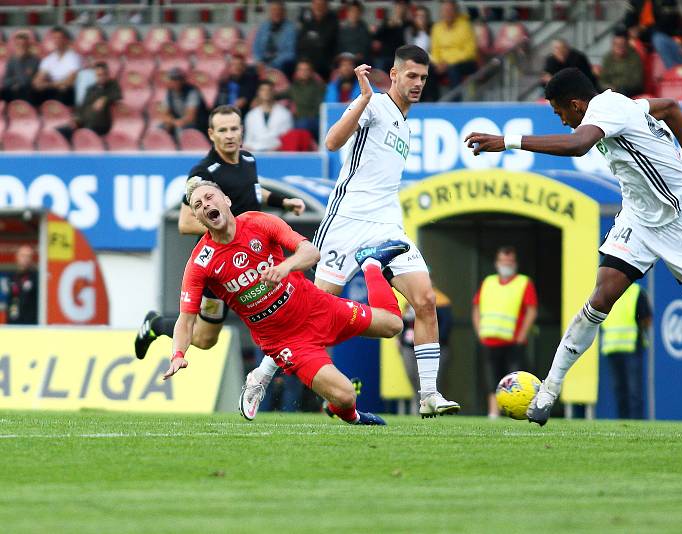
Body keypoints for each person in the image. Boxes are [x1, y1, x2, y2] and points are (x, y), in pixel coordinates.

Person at [464, 67, 682, 432]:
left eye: (560, 113)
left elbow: (577, 146)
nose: (562, 121)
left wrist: (507, 141)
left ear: (576, 105)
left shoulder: (605, 111)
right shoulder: (621, 105)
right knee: (599, 299)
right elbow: (671, 107)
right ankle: (548, 391)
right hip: (639, 220)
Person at [164, 180, 410, 427]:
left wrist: (284, 267)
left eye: (209, 197)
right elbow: (186, 320)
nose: (206, 204)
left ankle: (371, 264)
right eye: (198, 205)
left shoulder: (258, 222)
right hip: (286, 342)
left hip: (318, 307)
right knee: (346, 395)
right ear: (197, 217)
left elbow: (311, 252)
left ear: (226, 200)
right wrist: (178, 354)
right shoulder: (200, 263)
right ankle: (354, 417)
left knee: (393, 325)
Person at [315, 44, 460, 418]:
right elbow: (332, 142)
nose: (417, 83)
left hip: (386, 226)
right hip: (347, 222)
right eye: (411, 75)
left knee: (425, 301)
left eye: (423, 78)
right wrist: (363, 98)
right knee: (313, 313)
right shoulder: (375, 104)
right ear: (393, 75)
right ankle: (262, 377)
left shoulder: (405, 123)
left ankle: (428, 394)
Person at [135, 105, 306, 360]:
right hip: (221, 267)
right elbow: (185, 223)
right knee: (205, 339)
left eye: (234, 129)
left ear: (242, 131)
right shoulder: (202, 175)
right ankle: (156, 325)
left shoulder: (248, 159)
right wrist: (230, 230)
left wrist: (284, 202)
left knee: (285, 310)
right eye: (222, 130)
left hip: (255, 257)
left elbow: (252, 192)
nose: (229, 135)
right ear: (211, 134)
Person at [471, 246, 538, 418]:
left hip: (513, 341)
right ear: (497, 263)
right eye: (503, 261)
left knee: (516, 381)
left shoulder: (524, 282)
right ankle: (493, 412)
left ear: (515, 264)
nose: (506, 264)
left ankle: (520, 410)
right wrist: (479, 331)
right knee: (491, 378)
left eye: (510, 261)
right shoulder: (488, 282)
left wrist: (523, 334)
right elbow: (476, 307)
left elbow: (531, 310)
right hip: (490, 340)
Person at [398, 282, 453, 414]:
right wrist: (400, 339)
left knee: (432, 380)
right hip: (409, 346)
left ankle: (433, 407)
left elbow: (445, 326)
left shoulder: (441, 300)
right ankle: (419, 406)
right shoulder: (409, 298)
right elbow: (405, 322)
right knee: (412, 376)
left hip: (431, 348)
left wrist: (434, 343)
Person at [599, 282, 651, 420]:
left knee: (634, 393)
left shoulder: (636, 292)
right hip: (612, 348)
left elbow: (646, 318)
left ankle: (636, 425)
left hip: (632, 348)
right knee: (621, 392)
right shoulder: (607, 291)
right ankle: (623, 425)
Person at [56, 62, 121, 141]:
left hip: (99, 125)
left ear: (107, 74)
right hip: (84, 123)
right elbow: (82, 107)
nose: (101, 77)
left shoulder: (112, 85)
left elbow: (117, 95)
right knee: (60, 131)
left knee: (81, 135)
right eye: (99, 75)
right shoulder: (90, 89)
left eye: (104, 74)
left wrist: (104, 99)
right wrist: (76, 119)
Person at [430, 0, 478, 90]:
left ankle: (455, 102)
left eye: (450, 10)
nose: (447, 13)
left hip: (465, 63)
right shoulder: (437, 28)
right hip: (443, 63)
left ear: (455, 11)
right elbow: (435, 50)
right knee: (426, 70)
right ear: (441, 12)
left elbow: (470, 52)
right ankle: (430, 101)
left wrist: (448, 62)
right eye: (445, 10)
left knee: (453, 69)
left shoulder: (465, 26)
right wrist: (438, 63)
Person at [31, 26, 81, 106]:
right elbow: (38, 78)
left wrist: (48, 85)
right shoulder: (48, 59)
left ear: (66, 40)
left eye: (59, 38)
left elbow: (70, 81)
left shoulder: (74, 57)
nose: (57, 41)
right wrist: (39, 83)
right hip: (53, 87)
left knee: (64, 90)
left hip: (66, 89)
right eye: (54, 38)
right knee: (33, 90)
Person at [278, 59, 326, 140]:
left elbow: (320, 108)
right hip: (298, 121)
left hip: (315, 121)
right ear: (297, 72)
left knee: (301, 125)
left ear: (311, 72)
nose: (303, 72)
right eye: (301, 70)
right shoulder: (293, 88)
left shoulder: (319, 87)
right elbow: (278, 95)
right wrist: (259, 99)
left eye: (306, 70)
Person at [158, 68, 209, 140]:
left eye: (177, 79)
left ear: (183, 80)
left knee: (181, 129)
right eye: (172, 79)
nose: (175, 81)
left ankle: (182, 148)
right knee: (160, 127)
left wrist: (177, 122)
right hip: (177, 121)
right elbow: (164, 114)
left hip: (196, 124)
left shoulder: (192, 91)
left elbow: (191, 117)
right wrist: (172, 122)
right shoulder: (169, 92)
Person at [243, 80, 293, 152]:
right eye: (263, 90)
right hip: (256, 152)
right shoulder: (251, 115)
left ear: (274, 92)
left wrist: (275, 149)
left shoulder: (285, 113)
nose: (266, 92)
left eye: (269, 90)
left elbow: (287, 138)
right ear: (258, 93)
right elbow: (248, 139)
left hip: (278, 152)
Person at [252, 0, 297, 77]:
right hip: (263, 64)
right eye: (273, 10)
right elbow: (256, 47)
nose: (276, 13)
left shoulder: (291, 29)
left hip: (280, 66)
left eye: (279, 10)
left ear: (284, 12)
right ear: (270, 12)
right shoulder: (263, 27)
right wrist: (259, 61)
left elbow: (291, 53)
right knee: (250, 72)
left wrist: (272, 64)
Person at [296, 0, 339, 80]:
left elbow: (326, 41)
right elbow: (302, 42)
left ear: (326, 6)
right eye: (316, 4)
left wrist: (313, 40)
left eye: (322, 5)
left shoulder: (332, 20)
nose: (319, 7)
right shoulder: (306, 19)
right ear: (312, 5)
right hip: (306, 57)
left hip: (325, 60)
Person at [599, 32, 644, 97]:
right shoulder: (607, 58)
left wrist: (618, 88)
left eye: (622, 44)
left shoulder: (634, 57)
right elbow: (602, 80)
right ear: (612, 45)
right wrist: (608, 87)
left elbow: (637, 81)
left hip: (629, 91)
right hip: (611, 91)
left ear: (627, 44)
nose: (619, 47)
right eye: (616, 44)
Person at [1, 32, 39, 103]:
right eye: (19, 44)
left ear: (28, 46)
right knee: (4, 91)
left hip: (28, 91)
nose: (21, 47)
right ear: (15, 46)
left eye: (24, 45)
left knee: (25, 90)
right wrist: (15, 82)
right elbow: (5, 81)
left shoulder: (34, 60)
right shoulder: (11, 60)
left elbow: (26, 81)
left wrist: (19, 60)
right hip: (12, 90)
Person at [5, 244, 38, 325]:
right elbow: (11, 300)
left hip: (31, 324)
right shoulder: (12, 278)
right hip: (13, 323)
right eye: (23, 255)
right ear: (17, 257)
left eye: (28, 256)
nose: (25, 259)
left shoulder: (36, 277)